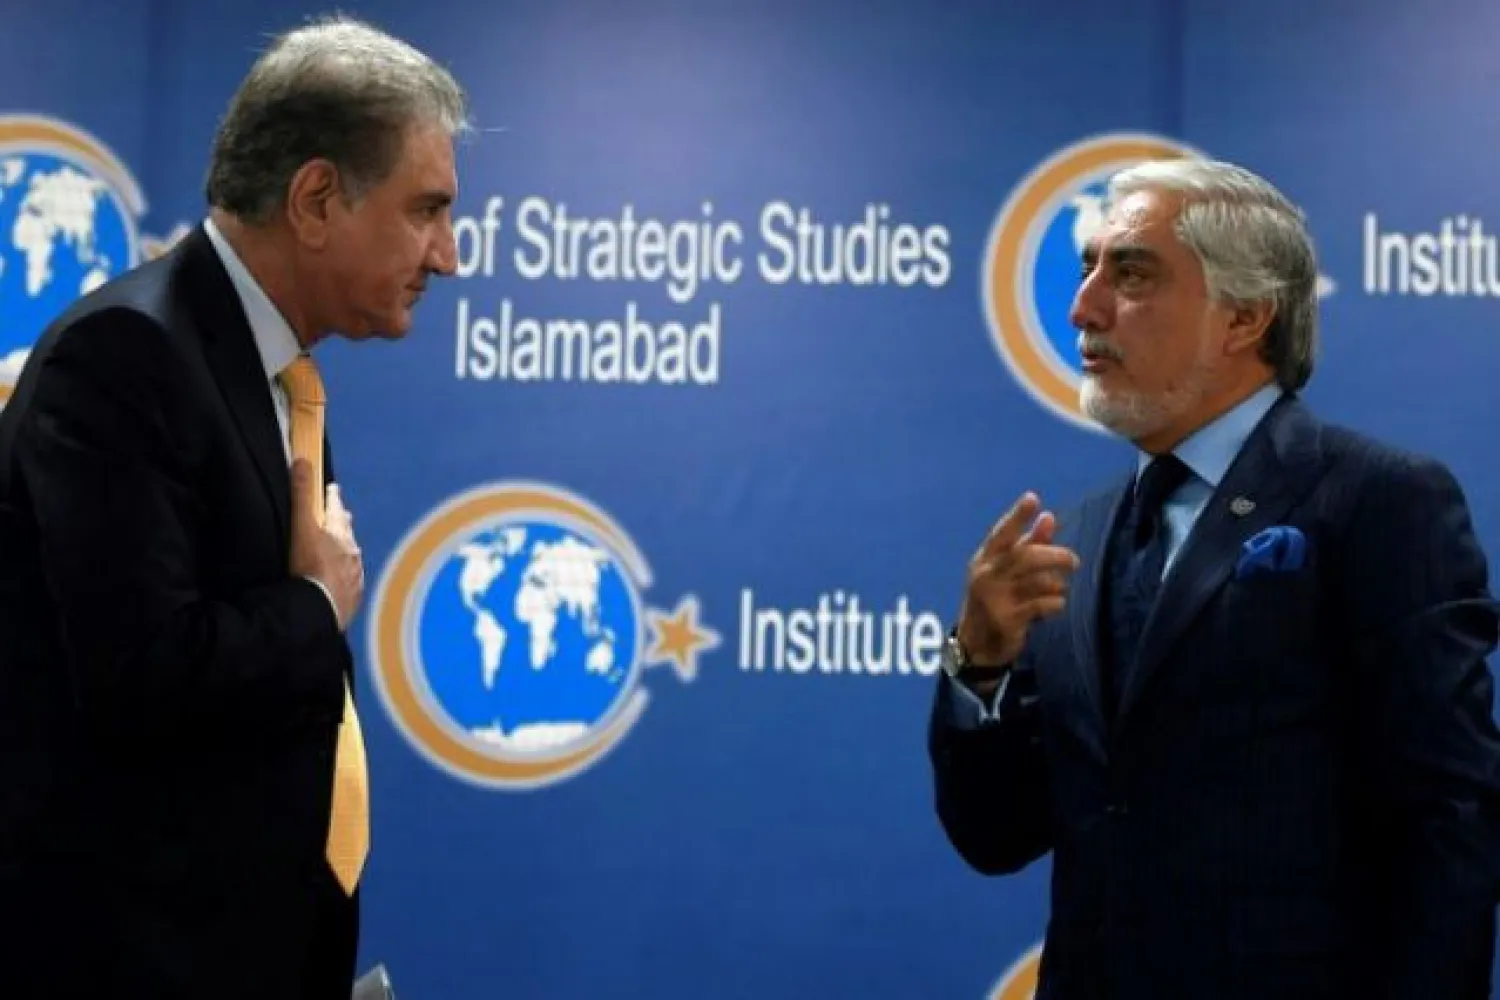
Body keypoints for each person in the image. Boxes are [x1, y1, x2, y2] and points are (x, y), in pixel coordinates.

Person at [928, 157, 1500, 998]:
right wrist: (976, 665)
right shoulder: (1077, 535)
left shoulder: (1378, 500)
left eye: (1130, 272)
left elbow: (1451, 822)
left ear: (1243, 317)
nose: (1082, 306)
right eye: (1087, 269)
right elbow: (997, 835)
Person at [0, 14, 463, 998]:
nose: (449, 253)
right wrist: (314, 603)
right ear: (315, 198)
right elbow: (142, 675)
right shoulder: (125, 357)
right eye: (426, 210)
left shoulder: (276, 370)